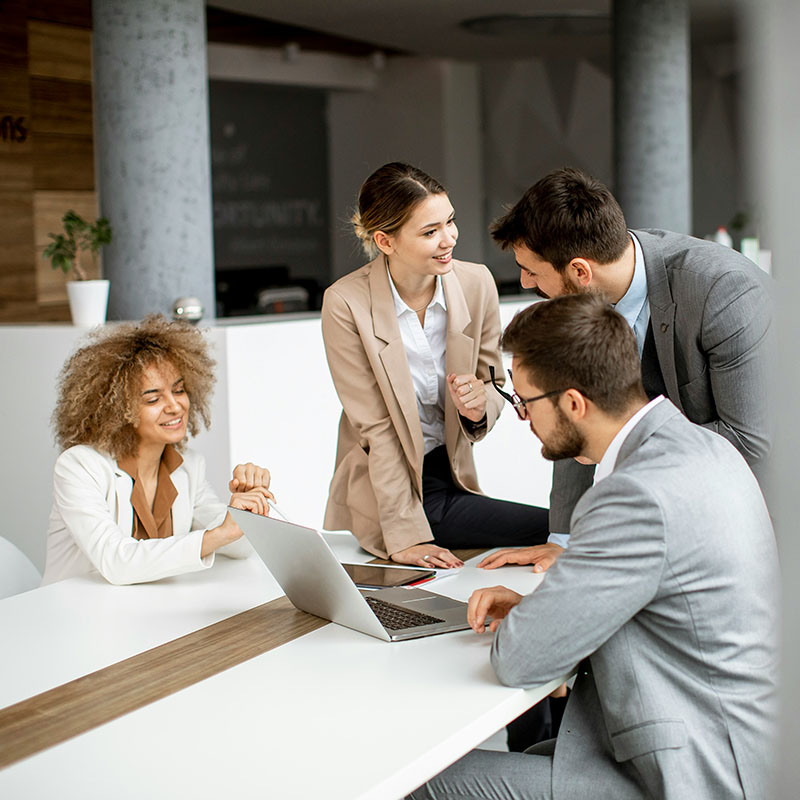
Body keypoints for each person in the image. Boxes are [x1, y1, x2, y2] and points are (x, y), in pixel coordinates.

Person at [410, 294, 779, 800]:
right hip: (735, 741)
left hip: (694, 772)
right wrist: (547, 606)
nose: (523, 419)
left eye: (525, 401)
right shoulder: (702, 448)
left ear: (574, 403)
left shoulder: (633, 495)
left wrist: (535, 622)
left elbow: (520, 660)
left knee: (419, 783)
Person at [482, 166, 774, 576]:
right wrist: (564, 541)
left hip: (751, 527)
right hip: (656, 520)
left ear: (580, 271)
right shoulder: (577, 300)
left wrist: (614, 440)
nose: (527, 284)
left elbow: (750, 441)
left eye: (533, 271)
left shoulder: (724, 292)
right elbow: (574, 419)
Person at [321, 162, 549, 570]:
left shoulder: (476, 283)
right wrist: (405, 535)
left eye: (450, 222)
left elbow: (494, 382)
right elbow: (376, 428)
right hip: (389, 486)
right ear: (385, 241)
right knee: (555, 530)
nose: (448, 240)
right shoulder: (345, 303)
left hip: (451, 472)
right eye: (429, 232)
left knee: (560, 528)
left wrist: (480, 408)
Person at [41, 315, 273, 586]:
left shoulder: (188, 467)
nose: (175, 406)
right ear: (117, 409)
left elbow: (240, 549)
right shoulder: (79, 467)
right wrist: (217, 535)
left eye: (179, 390)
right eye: (153, 398)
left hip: (149, 615)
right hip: (75, 616)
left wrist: (246, 513)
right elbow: (116, 562)